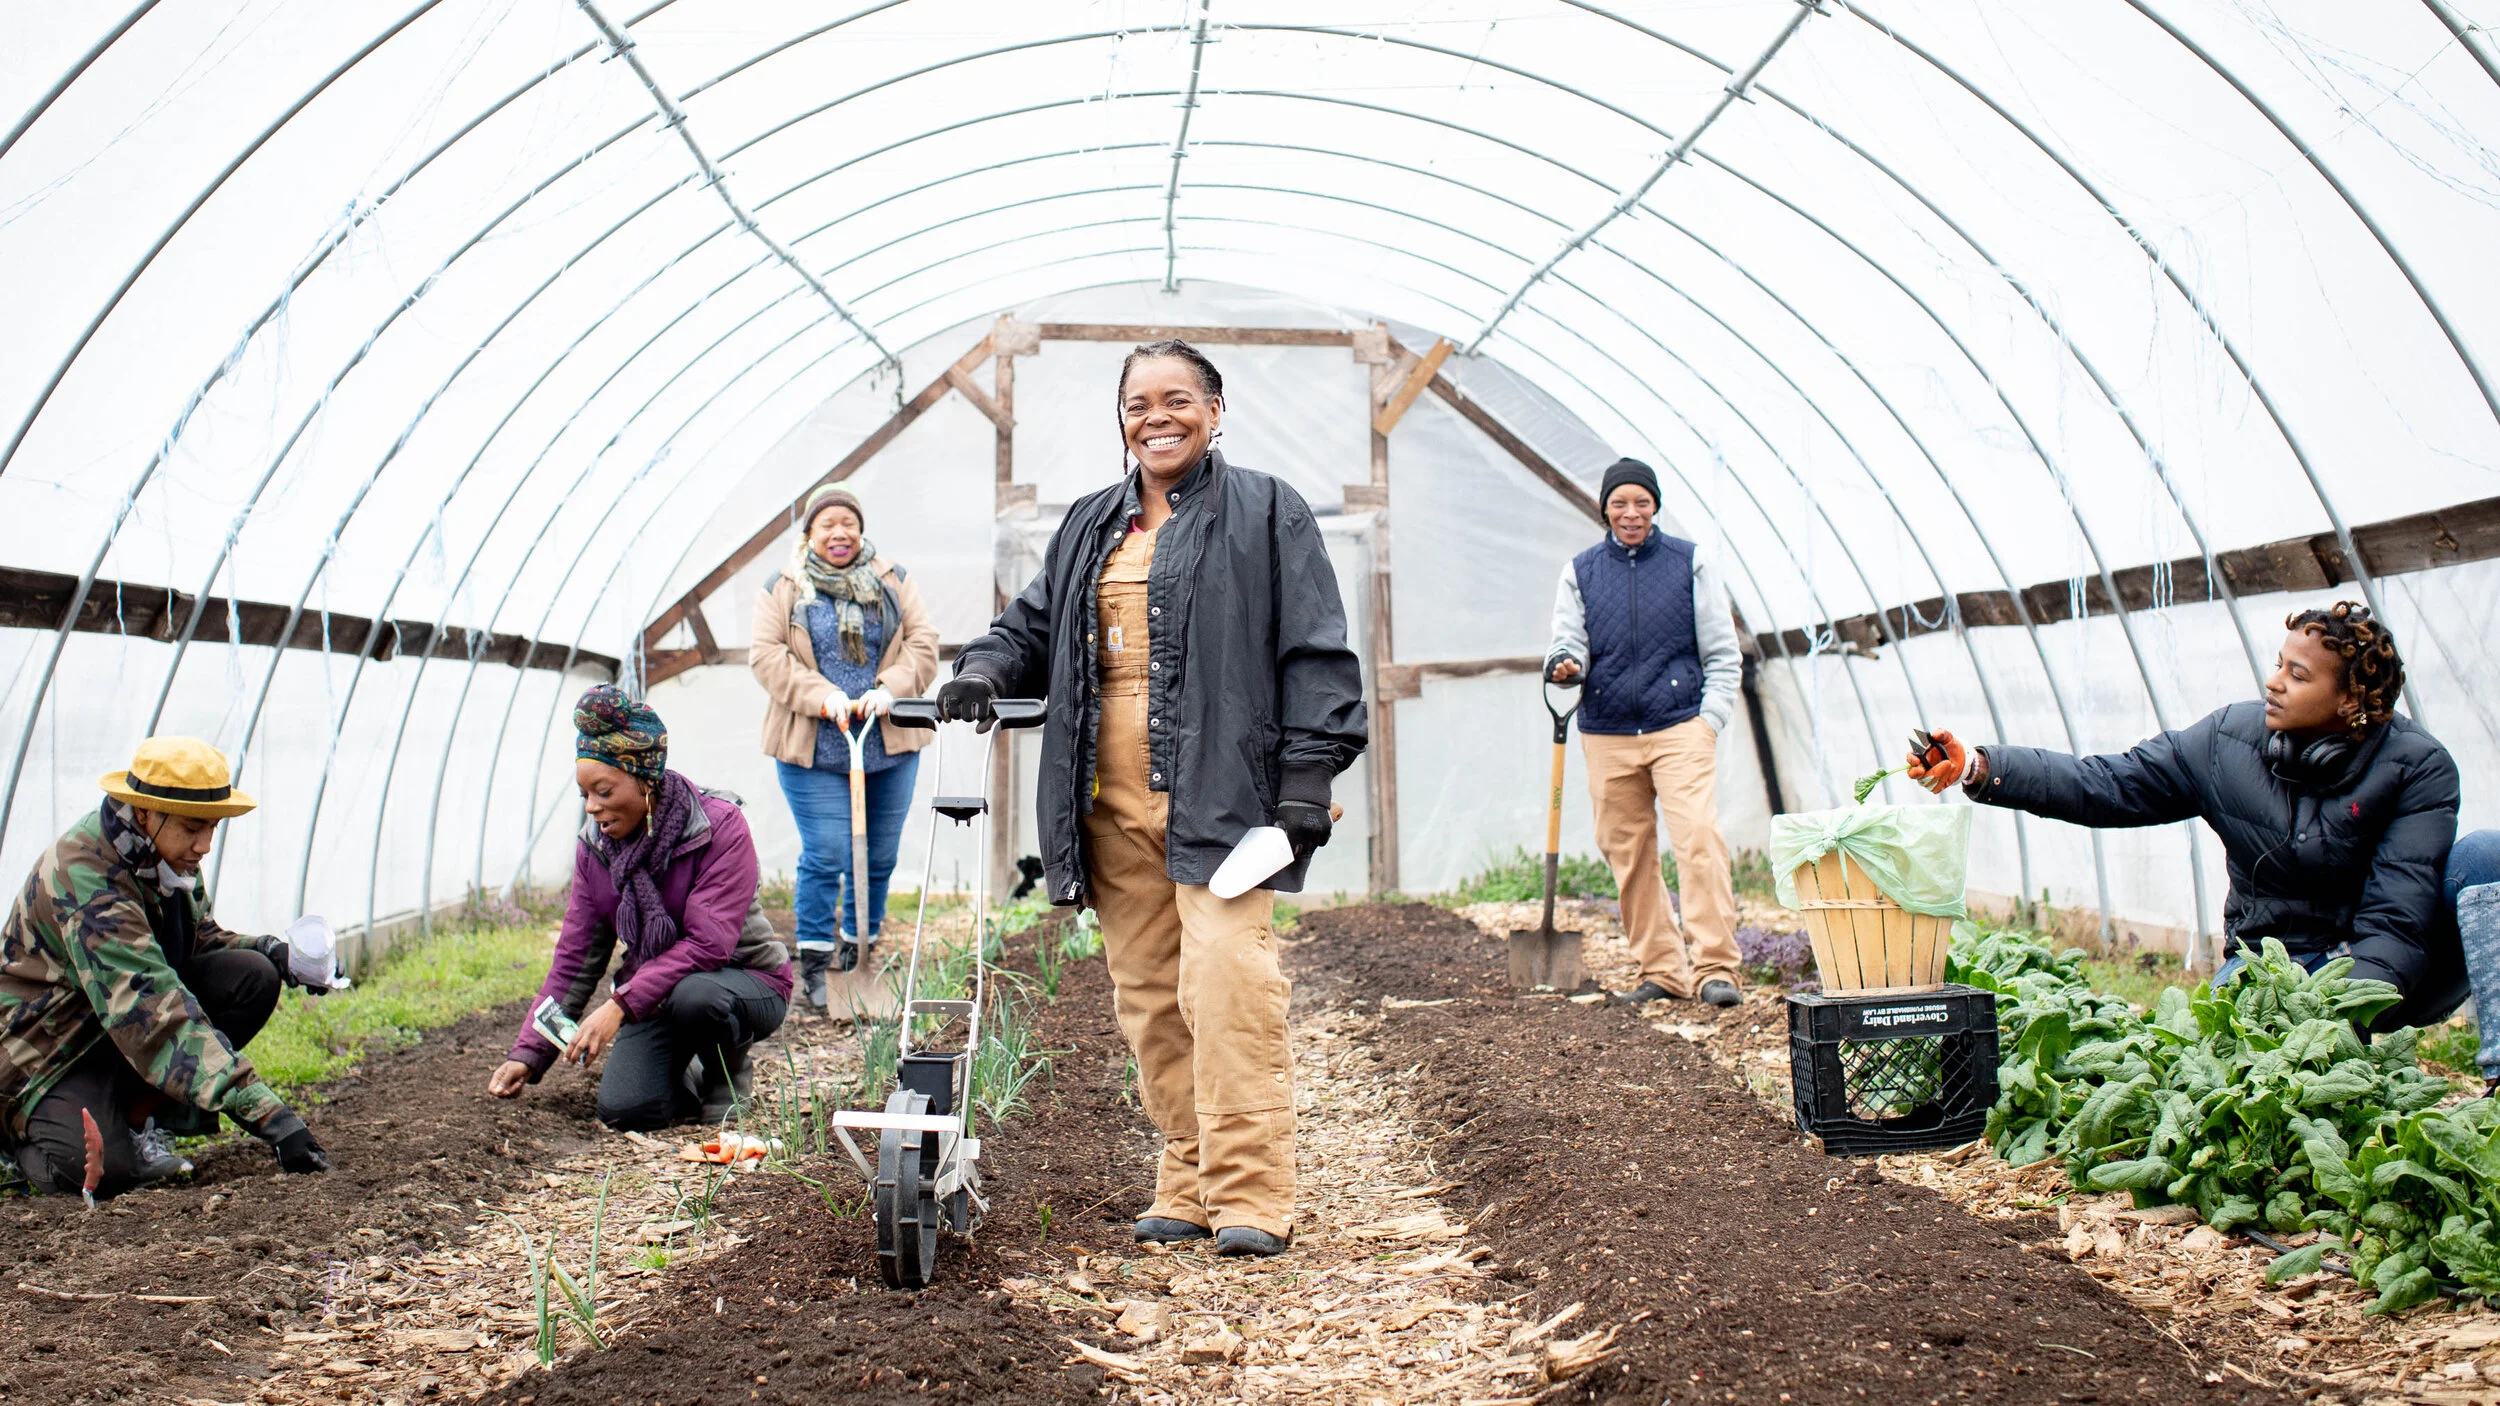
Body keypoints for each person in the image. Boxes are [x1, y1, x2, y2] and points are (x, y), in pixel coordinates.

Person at [936, 339, 1365, 1257]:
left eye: (1178, 399)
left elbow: (1317, 651)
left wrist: (1306, 782)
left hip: (1224, 794)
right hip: (1107, 798)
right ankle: (1188, 1179)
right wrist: (978, 672)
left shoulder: (1264, 511)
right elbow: (1031, 627)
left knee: (1229, 986)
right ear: (1121, 419)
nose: (1156, 417)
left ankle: (1251, 1193)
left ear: (1216, 409)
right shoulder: (1092, 523)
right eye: (1138, 403)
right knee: (1150, 997)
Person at [1906, 602, 2475, 1045]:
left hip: (2385, 968)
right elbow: (2107, 784)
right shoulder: (2228, 741)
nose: (2274, 682)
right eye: (2278, 665)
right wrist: (1981, 768)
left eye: (2298, 676)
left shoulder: (2416, 767)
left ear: (2351, 700)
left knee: (2488, 859)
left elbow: (2397, 918)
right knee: (2220, 1058)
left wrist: (2337, 1020)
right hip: (2268, 965)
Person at [0, 737, 330, 1195]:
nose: (205, 845)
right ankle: (18, 1139)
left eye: (212, 828)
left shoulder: (160, 857)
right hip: (46, 1054)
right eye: (194, 828)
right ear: (144, 813)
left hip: (108, 1027)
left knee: (253, 976)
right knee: (102, 1174)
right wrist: (272, 1118)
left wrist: (274, 951)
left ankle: (135, 1123)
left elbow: (198, 942)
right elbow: (155, 1015)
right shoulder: (89, 881)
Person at [487, 687, 791, 1130]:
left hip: (746, 982)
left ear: (645, 779)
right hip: (656, 994)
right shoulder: (596, 850)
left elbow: (709, 944)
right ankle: (679, 1069)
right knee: (627, 1111)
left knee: (698, 995)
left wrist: (618, 1007)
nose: (593, 808)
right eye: (584, 795)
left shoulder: (718, 826)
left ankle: (726, 1078)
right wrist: (530, 1053)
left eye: (604, 791)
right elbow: (575, 961)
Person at [1542, 457, 1745, 1009]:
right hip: (1607, 730)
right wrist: (1564, 665)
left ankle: (1715, 969)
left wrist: (1710, 721)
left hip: (1680, 726)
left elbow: (1724, 654)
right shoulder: (1581, 571)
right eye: (1619, 503)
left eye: (1641, 502)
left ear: (1655, 505)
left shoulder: (1690, 563)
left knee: (1698, 839)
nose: (1630, 513)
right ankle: (1662, 970)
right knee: (1627, 851)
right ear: (1604, 508)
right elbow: (1569, 642)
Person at [750, 483, 940, 1010]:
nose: (840, 533)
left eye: (848, 523)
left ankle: (860, 955)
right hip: (815, 747)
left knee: (878, 857)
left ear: (861, 529)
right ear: (809, 533)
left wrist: (890, 691)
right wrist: (823, 695)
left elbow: (923, 644)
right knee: (828, 852)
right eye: (827, 524)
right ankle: (813, 961)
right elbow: (766, 657)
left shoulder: (893, 580)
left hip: (889, 743)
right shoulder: (783, 587)